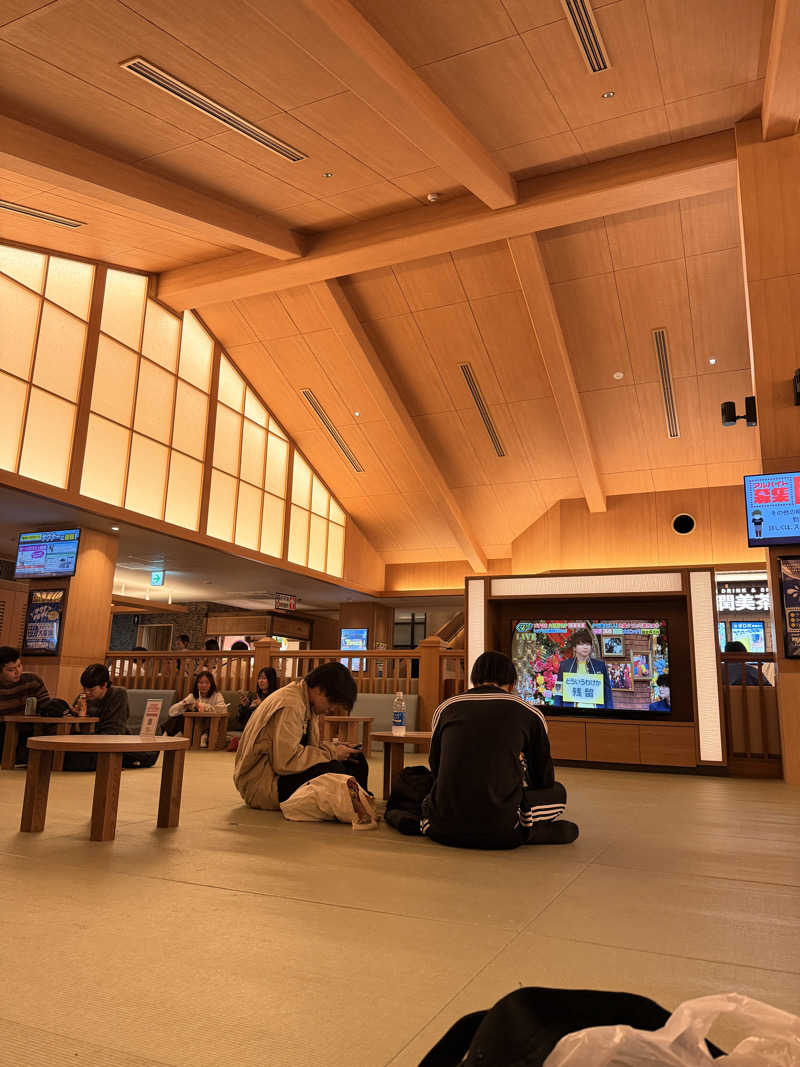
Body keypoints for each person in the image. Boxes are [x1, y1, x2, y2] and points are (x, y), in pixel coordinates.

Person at [412, 652, 578, 849]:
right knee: (558, 793)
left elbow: (436, 767)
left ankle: (524, 829)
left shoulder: (446, 707)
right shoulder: (529, 713)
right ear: (512, 682)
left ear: (474, 678)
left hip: (440, 827)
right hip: (502, 829)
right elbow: (543, 777)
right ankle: (526, 829)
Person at [233, 662, 376, 829]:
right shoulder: (291, 705)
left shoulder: (305, 700)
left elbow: (307, 749)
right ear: (319, 689)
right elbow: (285, 761)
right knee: (336, 770)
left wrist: (334, 749)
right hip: (262, 784)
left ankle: (361, 803)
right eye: (332, 702)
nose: (332, 709)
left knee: (355, 758)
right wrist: (332, 753)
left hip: (278, 773)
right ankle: (358, 807)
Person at [64, 663, 159, 770]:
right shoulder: (83, 698)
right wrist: (76, 716)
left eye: (91, 690)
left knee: (148, 755)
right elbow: (73, 729)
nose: (86, 692)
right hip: (88, 741)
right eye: (84, 688)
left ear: (104, 685)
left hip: (114, 740)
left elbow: (114, 732)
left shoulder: (118, 694)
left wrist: (84, 721)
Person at [0, 645, 53, 765]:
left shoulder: (32, 681)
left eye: (19, 665)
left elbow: (47, 707)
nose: (17, 671)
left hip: (29, 731)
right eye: (11, 670)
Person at [553, 628, 613, 710]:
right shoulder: (565, 665)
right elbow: (558, 691)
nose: (585, 647)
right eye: (581, 644)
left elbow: (607, 692)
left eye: (588, 644)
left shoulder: (600, 665)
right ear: (574, 648)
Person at [163, 670, 226, 744]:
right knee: (178, 718)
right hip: (193, 726)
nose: (203, 685)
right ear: (197, 684)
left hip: (209, 725)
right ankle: (165, 736)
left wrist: (204, 706)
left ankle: (204, 736)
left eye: (207, 683)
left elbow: (223, 709)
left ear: (211, 684)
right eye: (201, 683)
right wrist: (184, 704)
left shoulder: (217, 695)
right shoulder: (192, 696)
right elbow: (171, 712)